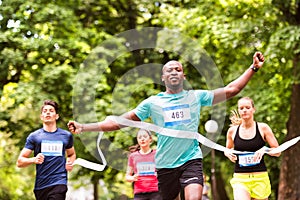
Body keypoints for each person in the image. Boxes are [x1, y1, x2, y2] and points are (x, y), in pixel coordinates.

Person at [68, 52, 265, 200]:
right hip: (165, 165)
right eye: (168, 70)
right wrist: (85, 127)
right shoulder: (152, 103)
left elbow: (232, 89)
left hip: (191, 159)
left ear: (183, 76)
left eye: (177, 69)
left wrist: (253, 68)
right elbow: (118, 122)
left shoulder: (195, 97)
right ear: (163, 78)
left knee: (194, 197)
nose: (173, 72)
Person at [17, 100, 76, 200]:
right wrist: (33, 159)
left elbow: (71, 154)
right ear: (41, 116)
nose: (48, 112)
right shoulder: (34, 137)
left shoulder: (66, 136)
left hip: (59, 182)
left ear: (56, 116)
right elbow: (19, 162)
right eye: (45, 111)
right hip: (41, 185)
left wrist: (70, 162)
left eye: (51, 110)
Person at [224, 97, 281, 200]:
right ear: (238, 110)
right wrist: (228, 153)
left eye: (247, 107)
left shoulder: (263, 128)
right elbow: (227, 150)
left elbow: (278, 152)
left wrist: (265, 149)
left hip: (260, 178)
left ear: (253, 109)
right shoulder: (232, 131)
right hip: (240, 179)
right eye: (241, 108)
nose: (244, 110)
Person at [126, 129, 162, 200]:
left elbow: (164, 171)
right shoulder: (133, 156)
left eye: (145, 137)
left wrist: (159, 174)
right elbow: (127, 177)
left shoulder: (157, 154)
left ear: (150, 139)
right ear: (137, 140)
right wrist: (133, 178)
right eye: (140, 137)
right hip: (139, 193)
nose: (142, 139)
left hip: (156, 191)